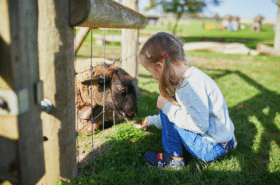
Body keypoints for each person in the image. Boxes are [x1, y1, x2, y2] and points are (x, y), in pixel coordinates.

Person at [133, 32, 237, 170]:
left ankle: (174, 160)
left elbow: (199, 126)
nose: (152, 76)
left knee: (166, 104)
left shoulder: (187, 87)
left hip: (209, 148)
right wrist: (151, 121)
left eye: (149, 71)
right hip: (225, 140)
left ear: (159, 65)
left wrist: (167, 108)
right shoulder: (193, 76)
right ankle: (230, 143)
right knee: (169, 107)